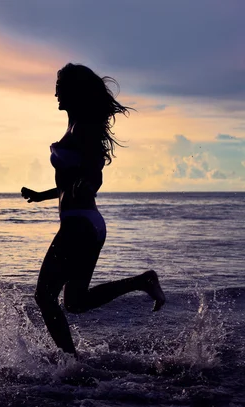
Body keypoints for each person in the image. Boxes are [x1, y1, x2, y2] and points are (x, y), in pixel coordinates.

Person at [21, 63, 165, 357]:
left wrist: (87, 184)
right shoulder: (75, 126)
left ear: (74, 91)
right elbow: (71, 181)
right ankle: (142, 281)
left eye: (60, 87)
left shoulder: (82, 128)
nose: (55, 93)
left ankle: (70, 363)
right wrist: (41, 195)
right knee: (73, 302)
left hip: (78, 226)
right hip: (88, 224)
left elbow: (93, 169)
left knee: (44, 297)